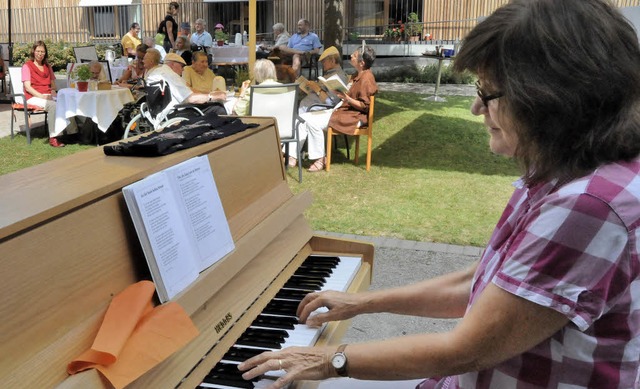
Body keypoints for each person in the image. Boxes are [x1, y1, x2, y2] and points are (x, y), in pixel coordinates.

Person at [238, 1, 640, 388]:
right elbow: (480, 282)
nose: (475, 109)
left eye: (489, 93)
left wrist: (328, 360)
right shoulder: (563, 174)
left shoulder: (588, 205)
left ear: (550, 98)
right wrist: (360, 303)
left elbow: (467, 350)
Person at [292, 46, 377, 172]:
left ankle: (320, 158)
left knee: (311, 121)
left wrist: (346, 98)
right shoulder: (358, 75)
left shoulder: (367, 78)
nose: (350, 57)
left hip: (353, 116)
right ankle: (292, 155)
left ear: (362, 63)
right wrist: (342, 94)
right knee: (303, 118)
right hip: (343, 111)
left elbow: (365, 106)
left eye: (353, 55)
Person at [144, 49, 225, 114]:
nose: (183, 69)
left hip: (160, 111)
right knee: (218, 108)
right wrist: (211, 97)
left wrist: (209, 94)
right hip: (175, 112)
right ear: (172, 64)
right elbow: (191, 98)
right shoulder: (171, 75)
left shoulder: (159, 71)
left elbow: (188, 90)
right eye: (181, 66)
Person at [21, 40, 60, 147]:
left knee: (66, 101)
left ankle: (72, 133)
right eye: (38, 51)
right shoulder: (27, 66)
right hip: (33, 97)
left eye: (42, 51)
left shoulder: (48, 67)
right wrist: (43, 97)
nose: (40, 54)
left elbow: (53, 86)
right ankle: (53, 137)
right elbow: (28, 87)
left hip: (47, 95)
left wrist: (52, 93)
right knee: (52, 106)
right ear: (33, 51)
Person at [298, 46, 348, 113]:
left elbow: (331, 103)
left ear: (332, 61)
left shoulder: (339, 76)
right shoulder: (329, 73)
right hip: (309, 106)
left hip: (313, 109)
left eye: (324, 61)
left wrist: (317, 89)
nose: (322, 64)